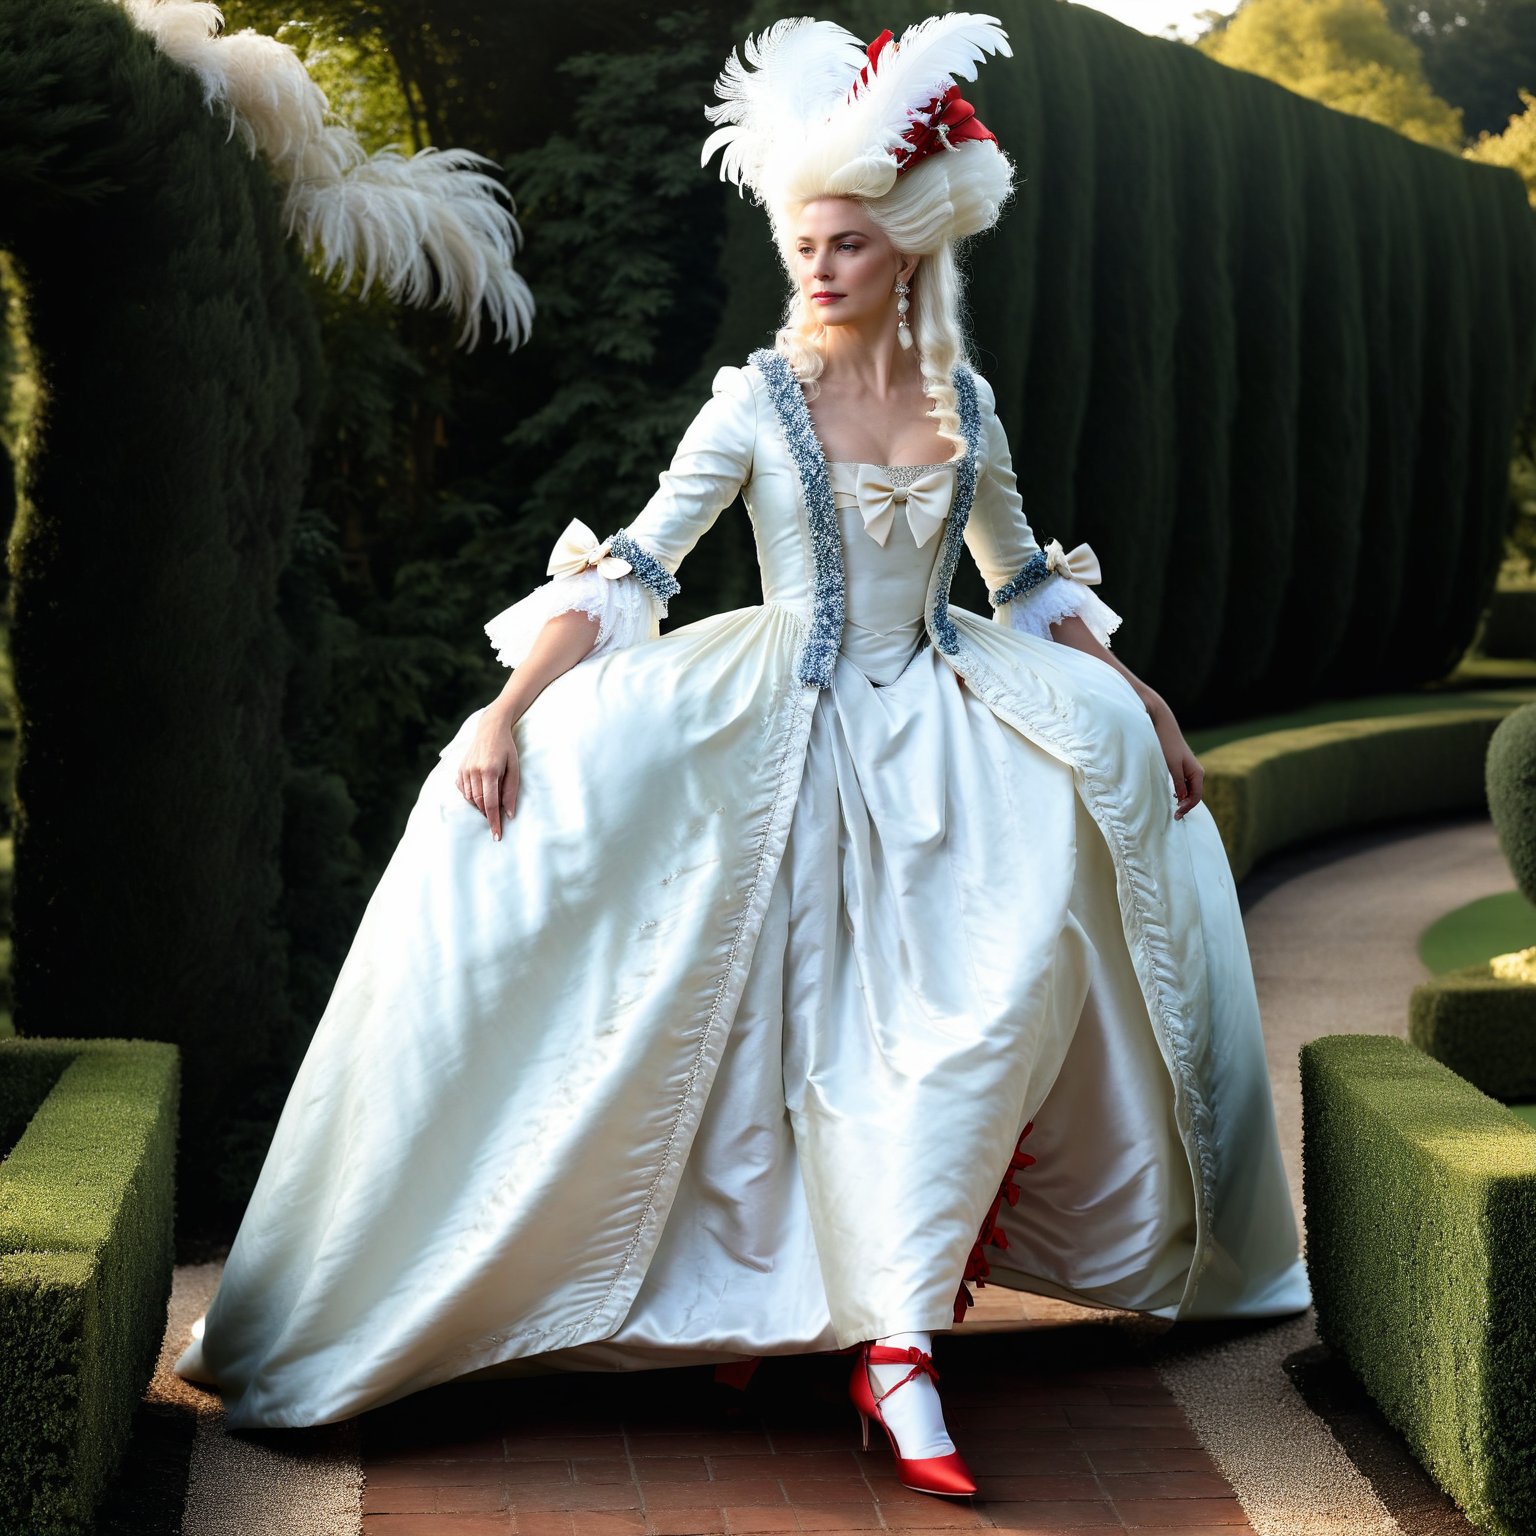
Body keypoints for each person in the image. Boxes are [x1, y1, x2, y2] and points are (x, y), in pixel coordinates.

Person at [175, 13, 1310, 1499]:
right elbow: (641, 565)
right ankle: (827, 1328)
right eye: (803, 241)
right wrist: (507, 715)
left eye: (844, 243)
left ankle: (892, 1338)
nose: (815, 268)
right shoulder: (754, 401)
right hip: (774, 733)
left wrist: (1140, 694)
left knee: (981, 1007)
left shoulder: (964, 404)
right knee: (768, 1034)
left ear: (906, 248)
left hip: (951, 736)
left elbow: (1021, 577)